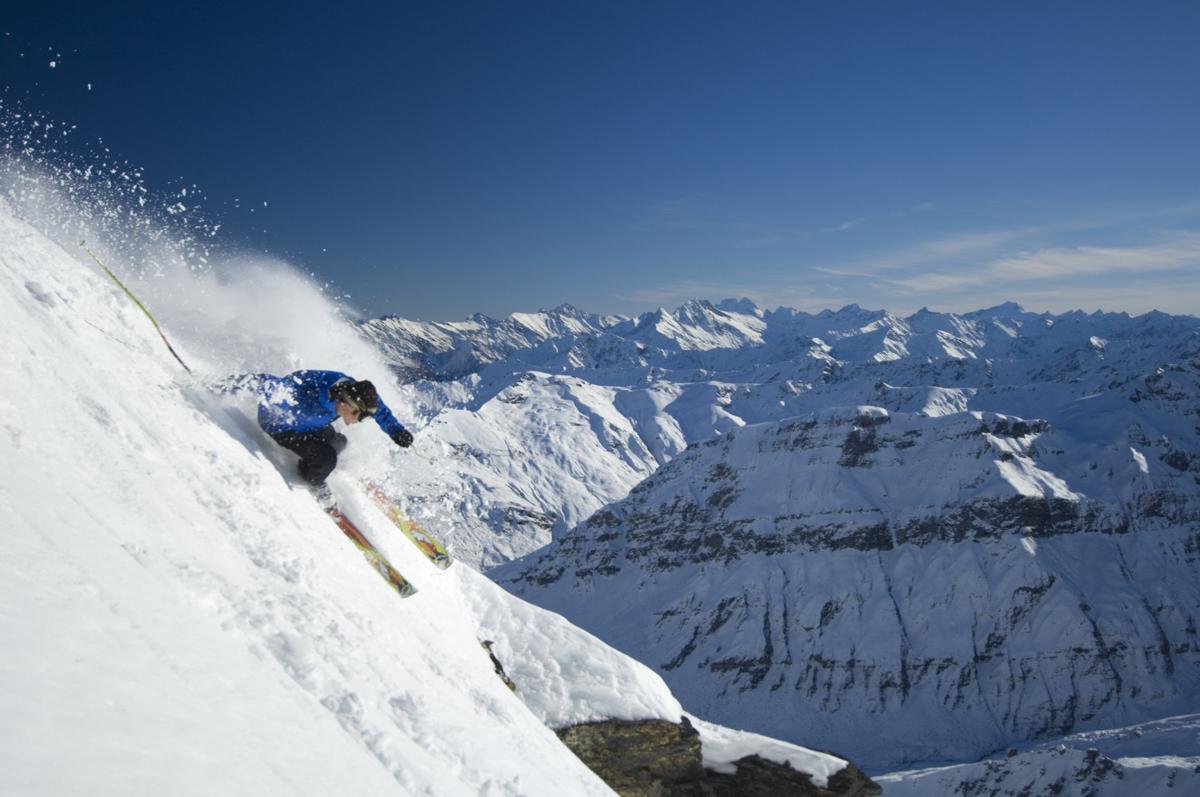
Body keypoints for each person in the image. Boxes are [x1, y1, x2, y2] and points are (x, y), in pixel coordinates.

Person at [256, 369, 413, 488]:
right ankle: (312, 479)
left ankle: (321, 467)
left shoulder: (354, 392)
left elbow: (379, 410)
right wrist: (235, 382)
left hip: (312, 426)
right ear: (347, 404)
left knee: (340, 442)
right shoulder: (308, 394)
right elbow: (268, 385)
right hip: (282, 426)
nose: (358, 421)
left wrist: (397, 431)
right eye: (359, 416)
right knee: (327, 458)